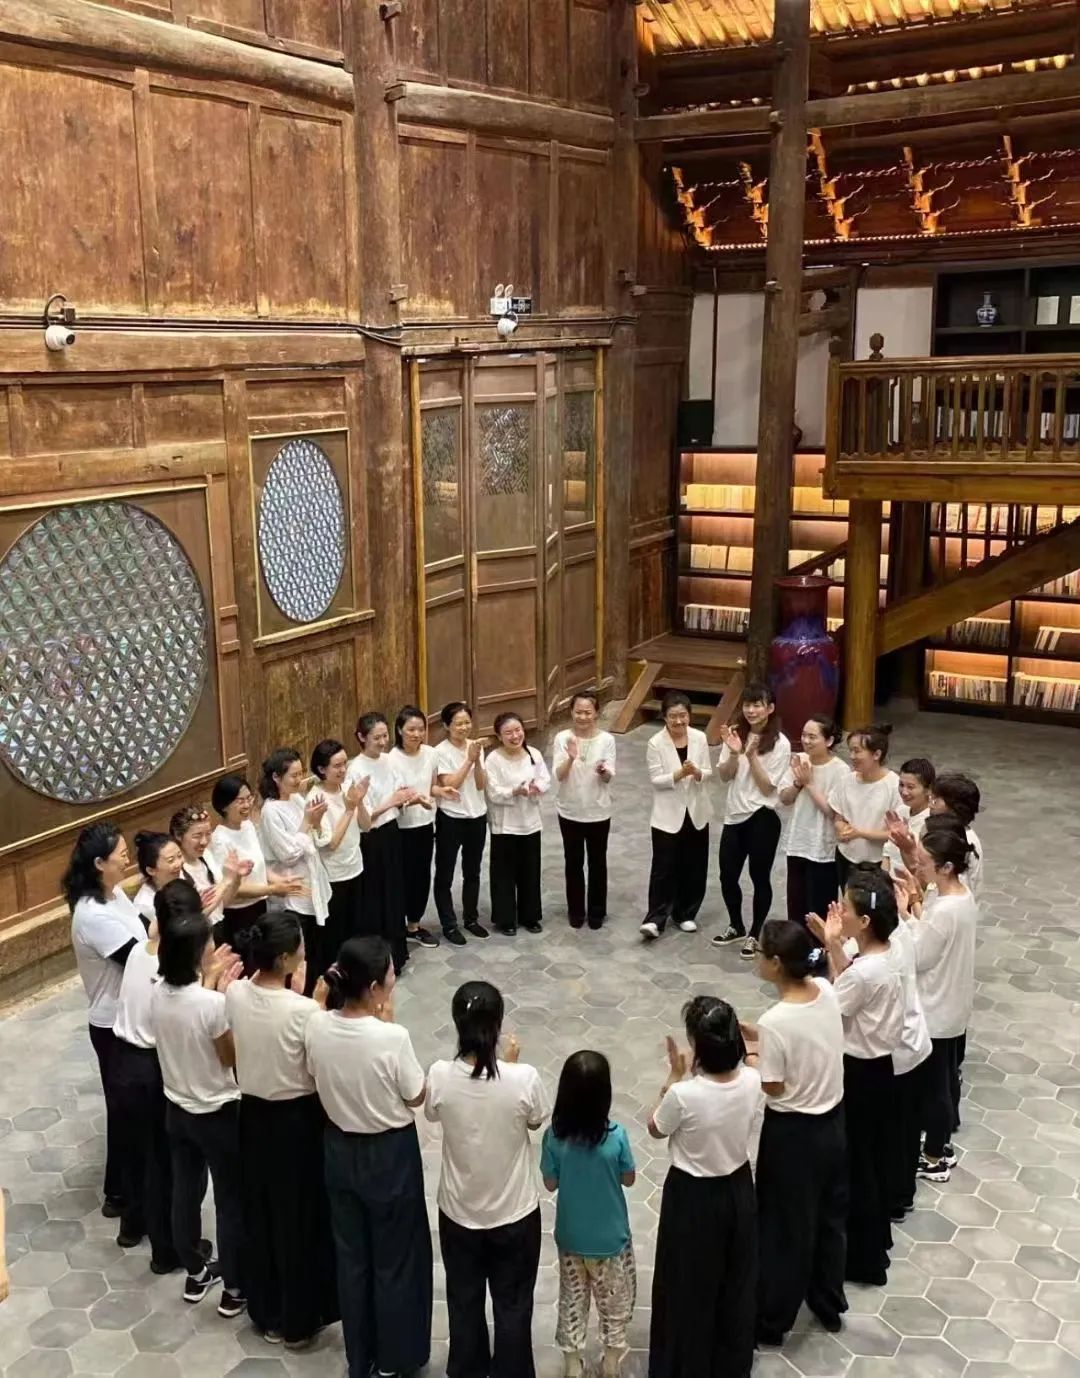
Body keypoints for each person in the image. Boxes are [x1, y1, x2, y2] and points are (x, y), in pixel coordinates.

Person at [304, 937, 431, 1378]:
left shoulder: (316, 1025)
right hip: (388, 1154)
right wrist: (388, 1023)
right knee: (394, 1259)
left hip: (338, 1148)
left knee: (353, 1259)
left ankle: (359, 1358)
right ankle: (394, 1359)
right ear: (375, 988)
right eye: (391, 972)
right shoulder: (391, 1037)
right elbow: (416, 1095)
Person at [112, 860, 240, 1268]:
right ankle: (212, 1267)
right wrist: (216, 992)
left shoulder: (151, 968)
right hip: (190, 1092)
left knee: (169, 1173)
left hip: (154, 1080)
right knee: (210, 1186)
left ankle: (178, 1253)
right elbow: (223, 1052)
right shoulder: (204, 999)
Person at [426, 981, 549, 1378]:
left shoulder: (440, 1075)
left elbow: (431, 1113)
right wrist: (511, 1065)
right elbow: (536, 1119)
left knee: (464, 1301)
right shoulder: (523, 1078)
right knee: (513, 1305)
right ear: (497, 1026)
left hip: (458, 1213)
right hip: (514, 1214)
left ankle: (467, 1368)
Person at [227, 913, 338, 1349]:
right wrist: (316, 1001)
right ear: (287, 959)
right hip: (296, 1122)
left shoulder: (236, 992)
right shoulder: (304, 1011)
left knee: (260, 1212)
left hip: (252, 1116)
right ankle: (298, 1319)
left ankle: (266, 1309)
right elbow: (316, 1065)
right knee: (298, 1220)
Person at [743, 919, 847, 1346]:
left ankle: (772, 1318)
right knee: (829, 1219)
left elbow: (773, 1085)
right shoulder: (825, 990)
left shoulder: (776, 1020)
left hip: (793, 1135)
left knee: (785, 1228)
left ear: (775, 964)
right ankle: (828, 1301)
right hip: (834, 1123)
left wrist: (750, 1055)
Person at [647, 997, 762, 1378]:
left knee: (686, 1284)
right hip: (738, 1188)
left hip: (692, 1197)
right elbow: (757, 1057)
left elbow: (655, 1127)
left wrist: (673, 1076)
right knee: (735, 1279)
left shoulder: (685, 1095)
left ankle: (684, 1364)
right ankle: (729, 1361)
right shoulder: (752, 1080)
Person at [150, 891, 246, 1312]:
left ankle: (194, 1271)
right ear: (195, 953)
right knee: (230, 1200)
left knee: (185, 1192)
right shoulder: (213, 1004)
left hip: (176, 1105)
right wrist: (218, 993)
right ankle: (235, 1288)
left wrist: (209, 987)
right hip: (216, 1111)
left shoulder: (158, 992)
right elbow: (229, 1058)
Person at [810, 876, 904, 1286]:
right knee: (872, 1159)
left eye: (845, 909)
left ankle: (861, 1257)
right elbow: (850, 981)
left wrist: (831, 944)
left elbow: (834, 1004)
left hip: (859, 1072)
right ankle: (874, 1241)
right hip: (881, 1068)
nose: (839, 912)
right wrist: (835, 944)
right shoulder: (888, 954)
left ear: (865, 921)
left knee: (857, 1164)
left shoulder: (865, 973)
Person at [64, 823, 149, 1224]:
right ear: (99, 863)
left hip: (130, 1013)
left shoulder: (114, 894)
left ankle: (122, 1188)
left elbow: (144, 932)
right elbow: (137, 959)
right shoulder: (92, 914)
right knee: (125, 1111)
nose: (127, 859)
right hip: (113, 1023)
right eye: (121, 854)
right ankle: (122, 1196)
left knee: (127, 1110)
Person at [541, 1051, 636, 1378]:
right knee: (614, 1303)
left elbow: (550, 1183)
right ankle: (610, 1363)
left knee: (572, 1301)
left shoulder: (553, 1137)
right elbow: (629, 1178)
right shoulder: (617, 1136)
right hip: (611, 1240)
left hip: (571, 1238)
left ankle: (572, 1365)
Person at [901, 821, 979, 1184]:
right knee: (944, 1080)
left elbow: (919, 955)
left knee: (935, 1089)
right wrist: (917, 903)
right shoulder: (961, 896)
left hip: (936, 1006)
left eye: (924, 862)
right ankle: (939, 1143)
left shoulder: (946, 908)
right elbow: (932, 936)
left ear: (946, 866)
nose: (919, 867)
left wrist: (905, 912)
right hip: (952, 1002)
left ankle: (934, 1156)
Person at [714, 682, 792, 958]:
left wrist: (751, 756)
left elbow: (769, 788)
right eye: (747, 705)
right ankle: (736, 925)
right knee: (727, 876)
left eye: (757, 705)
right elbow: (725, 776)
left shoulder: (780, 744)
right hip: (734, 814)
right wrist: (735, 753)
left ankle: (755, 932)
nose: (751, 710)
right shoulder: (735, 734)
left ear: (770, 708)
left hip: (763, 817)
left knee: (759, 877)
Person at [346, 712, 415, 974]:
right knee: (375, 897)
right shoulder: (356, 769)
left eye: (385, 736)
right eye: (377, 737)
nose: (383, 741)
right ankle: (377, 959)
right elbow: (363, 815)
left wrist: (405, 798)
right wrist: (391, 801)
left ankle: (397, 953)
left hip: (392, 832)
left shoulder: (389, 760)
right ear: (362, 737)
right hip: (371, 838)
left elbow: (399, 792)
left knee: (395, 892)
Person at [640, 690, 712, 941]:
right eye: (673, 716)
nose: (679, 721)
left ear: (689, 716)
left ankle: (686, 913)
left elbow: (708, 772)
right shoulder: (655, 743)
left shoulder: (700, 738)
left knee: (694, 864)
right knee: (663, 867)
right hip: (667, 814)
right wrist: (680, 774)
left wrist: (697, 773)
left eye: (683, 716)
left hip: (696, 811)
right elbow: (656, 779)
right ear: (665, 717)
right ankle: (655, 918)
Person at [259, 748, 331, 996]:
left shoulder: (297, 799)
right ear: (276, 777)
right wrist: (308, 822)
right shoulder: (270, 811)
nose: (299, 780)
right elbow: (288, 854)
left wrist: (317, 821)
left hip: (311, 882)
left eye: (301, 773)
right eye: (294, 775)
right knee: (299, 956)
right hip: (292, 889)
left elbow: (318, 838)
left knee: (316, 952)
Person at [208, 774, 306, 948]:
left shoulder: (248, 826)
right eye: (240, 801)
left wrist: (278, 880)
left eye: (249, 798)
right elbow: (232, 887)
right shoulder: (220, 840)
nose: (247, 805)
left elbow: (258, 864)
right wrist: (273, 889)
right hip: (238, 914)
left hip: (260, 905)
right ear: (224, 806)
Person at [552, 691, 617, 930]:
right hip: (569, 810)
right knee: (573, 863)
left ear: (596, 713)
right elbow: (559, 775)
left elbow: (609, 777)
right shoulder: (562, 738)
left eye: (587, 712)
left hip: (598, 810)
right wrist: (570, 758)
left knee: (598, 863)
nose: (582, 717)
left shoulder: (607, 740)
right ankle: (576, 911)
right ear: (571, 712)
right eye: (578, 712)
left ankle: (597, 912)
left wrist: (603, 771)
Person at [484, 711, 551, 935]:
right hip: (504, 825)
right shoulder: (493, 760)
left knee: (530, 871)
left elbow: (545, 779)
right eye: (508, 733)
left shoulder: (533, 754)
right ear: (499, 736)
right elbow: (493, 792)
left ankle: (530, 916)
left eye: (518, 730)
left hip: (530, 821)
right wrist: (514, 791)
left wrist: (536, 787)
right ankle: (505, 919)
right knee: (503, 873)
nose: (515, 736)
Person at [308, 739, 371, 974]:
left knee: (356, 930)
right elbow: (330, 843)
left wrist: (359, 802)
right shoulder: (316, 799)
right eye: (337, 766)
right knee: (336, 935)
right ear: (321, 769)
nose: (343, 770)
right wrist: (349, 808)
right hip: (333, 876)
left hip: (356, 867)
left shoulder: (348, 789)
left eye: (345, 764)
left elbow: (366, 825)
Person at [777, 715, 847, 927]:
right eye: (804, 735)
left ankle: (819, 947)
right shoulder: (799, 760)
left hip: (823, 848)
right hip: (798, 843)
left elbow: (833, 812)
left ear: (829, 740)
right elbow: (784, 798)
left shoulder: (840, 770)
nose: (806, 741)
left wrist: (808, 784)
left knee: (819, 910)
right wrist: (798, 783)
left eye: (812, 737)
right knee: (796, 907)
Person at [433, 700, 490, 944]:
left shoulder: (475, 747)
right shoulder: (439, 752)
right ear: (447, 726)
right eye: (458, 723)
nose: (464, 727)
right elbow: (451, 784)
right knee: (445, 873)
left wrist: (476, 760)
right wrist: (469, 760)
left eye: (467, 722)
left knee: (472, 871)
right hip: (451, 818)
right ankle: (449, 924)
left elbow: (480, 784)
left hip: (476, 816)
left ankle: (471, 919)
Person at [388, 705, 441, 948]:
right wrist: (413, 800)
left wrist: (441, 791)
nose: (417, 734)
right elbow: (393, 796)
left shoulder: (431, 754)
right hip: (399, 827)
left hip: (425, 823)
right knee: (400, 878)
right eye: (411, 729)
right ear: (399, 730)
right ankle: (396, 925)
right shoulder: (391, 759)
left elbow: (431, 787)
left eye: (421, 729)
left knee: (421, 876)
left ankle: (414, 925)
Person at [828, 724, 902, 891]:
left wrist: (859, 833)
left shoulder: (894, 786)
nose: (852, 756)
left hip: (877, 862)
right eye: (851, 751)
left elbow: (896, 834)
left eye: (857, 751)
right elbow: (838, 817)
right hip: (846, 857)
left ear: (876, 754)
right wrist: (841, 827)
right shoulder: (846, 781)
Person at [929, 773, 984, 899]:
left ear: (955, 808)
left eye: (936, 800)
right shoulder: (946, 833)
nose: (930, 805)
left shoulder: (960, 841)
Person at [882, 758, 934, 875]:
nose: (904, 792)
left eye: (910, 787)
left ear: (928, 790)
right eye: (901, 785)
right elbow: (888, 851)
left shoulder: (931, 822)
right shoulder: (901, 810)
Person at [131, 832, 186, 923]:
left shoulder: (179, 876)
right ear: (151, 870)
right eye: (171, 860)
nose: (179, 863)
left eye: (179, 856)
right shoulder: (145, 904)